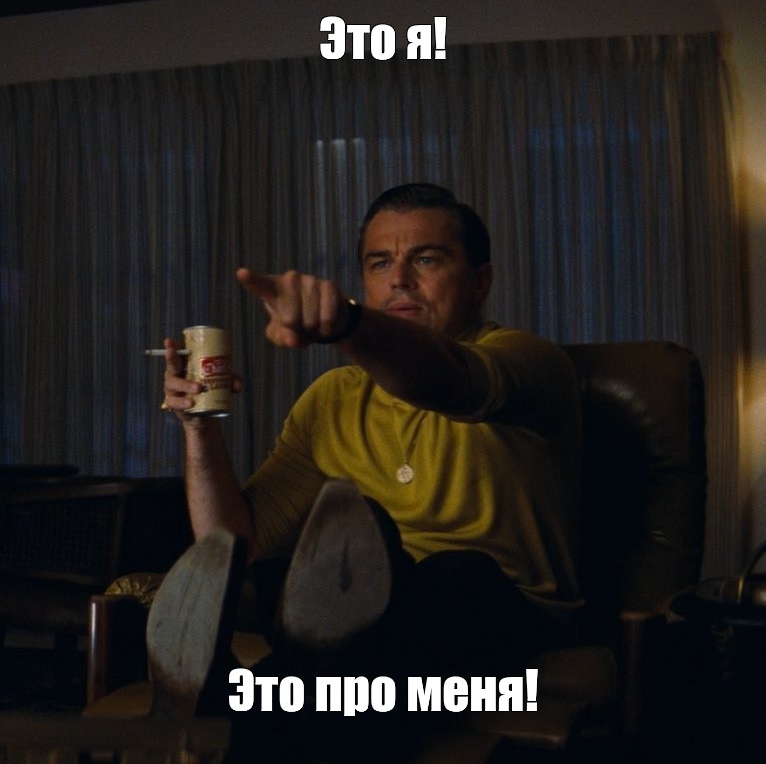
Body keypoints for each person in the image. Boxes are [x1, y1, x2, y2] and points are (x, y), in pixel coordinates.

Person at [160, 183, 583, 761]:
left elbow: (448, 380)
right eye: (380, 263)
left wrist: (348, 326)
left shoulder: (529, 361)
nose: (399, 280)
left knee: (454, 574)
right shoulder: (332, 398)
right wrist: (198, 429)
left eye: (426, 260)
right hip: (377, 629)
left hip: (508, 611)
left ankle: (240, 693)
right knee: (304, 581)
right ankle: (286, 677)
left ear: (480, 282)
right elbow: (232, 544)